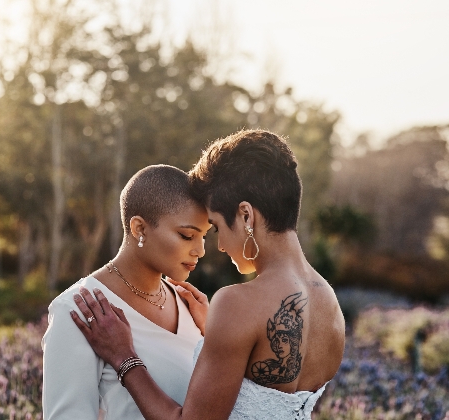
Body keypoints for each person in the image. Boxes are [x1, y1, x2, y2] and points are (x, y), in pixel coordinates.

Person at [72, 130, 346, 420]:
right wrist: (214, 333)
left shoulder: (238, 303)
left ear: (246, 216)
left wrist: (123, 357)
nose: (219, 246)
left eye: (215, 227)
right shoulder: (329, 304)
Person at [42, 165, 212, 419]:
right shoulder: (80, 309)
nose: (200, 250)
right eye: (187, 235)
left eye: (204, 237)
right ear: (139, 229)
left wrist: (214, 336)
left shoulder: (192, 308)